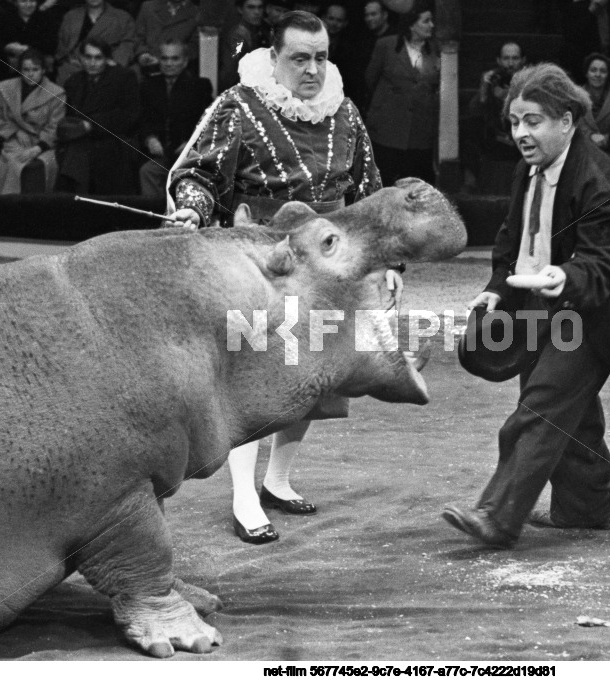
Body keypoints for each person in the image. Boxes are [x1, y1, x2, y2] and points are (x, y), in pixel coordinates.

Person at [166, 10, 396, 544]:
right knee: (256, 381)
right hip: (261, 261)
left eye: (321, 57)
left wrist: (385, 263)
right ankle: (244, 496)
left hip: (328, 264)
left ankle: (278, 480)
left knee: (314, 378)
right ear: (274, 58)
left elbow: (368, 194)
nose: (313, 69)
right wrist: (194, 210)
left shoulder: (346, 113)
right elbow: (198, 171)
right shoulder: (239, 106)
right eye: (300, 58)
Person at [441, 62, 610, 549]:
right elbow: (511, 241)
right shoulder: (531, 170)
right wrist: (498, 287)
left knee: (541, 406)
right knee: (572, 411)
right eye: (514, 121)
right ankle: (589, 508)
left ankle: (497, 516)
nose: (520, 133)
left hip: (592, 315)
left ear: (566, 121)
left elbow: (603, 265)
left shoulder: (602, 183)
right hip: (540, 310)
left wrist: (565, 275)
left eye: (532, 121)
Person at [364, 0, 440, 185]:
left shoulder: (435, 51)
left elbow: (436, 87)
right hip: (387, 130)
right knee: (384, 183)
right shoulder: (386, 45)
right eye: (426, 21)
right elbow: (369, 80)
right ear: (412, 25)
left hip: (419, 133)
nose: (432, 25)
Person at [56, 37, 141, 194]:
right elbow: (68, 116)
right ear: (80, 58)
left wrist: (92, 125)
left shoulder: (123, 77)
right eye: (88, 57)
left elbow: (130, 115)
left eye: (98, 58)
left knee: (91, 157)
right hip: (80, 139)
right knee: (71, 153)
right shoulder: (73, 82)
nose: (92, 63)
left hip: (114, 139)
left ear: (107, 59)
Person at [138, 40, 213, 197]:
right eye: (165, 59)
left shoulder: (199, 86)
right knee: (148, 171)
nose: (169, 63)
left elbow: (209, 123)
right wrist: (149, 138)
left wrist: (191, 143)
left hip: (189, 153)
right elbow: (143, 119)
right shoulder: (148, 85)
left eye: (175, 59)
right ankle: (155, 218)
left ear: (185, 61)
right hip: (161, 153)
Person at [0, 48, 67, 194]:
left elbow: (55, 126)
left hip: (43, 143)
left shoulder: (56, 93)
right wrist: (15, 131)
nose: (30, 74)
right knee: (11, 162)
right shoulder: (6, 88)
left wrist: (38, 148)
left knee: (41, 164)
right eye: (26, 69)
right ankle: (8, 204)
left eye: (35, 69)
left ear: (43, 70)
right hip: (14, 140)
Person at [461, 41, 525, 192]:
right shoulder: (493, 79)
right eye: (506, 58)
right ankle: (471, 182)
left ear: (522, 61)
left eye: (515, 58)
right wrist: (484, 89)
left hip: (521, 136)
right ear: (499, 60)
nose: (510, 63)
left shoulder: (530, 81)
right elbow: (475, 110)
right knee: (469, 127)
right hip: (495, 137)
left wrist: (509, 98)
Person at [55, 0, 137, 85]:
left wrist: (112, 63)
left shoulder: (123, 17)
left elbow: (128, 44)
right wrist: (70, 59)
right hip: (74, 68)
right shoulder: (71, 16)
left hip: (107, 69)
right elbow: (62, 47)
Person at [0, 0, 59, 81]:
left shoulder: (47, 18)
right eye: (23, 1)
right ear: (16, 2)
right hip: (10, 67)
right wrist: (7, 47)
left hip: (39, 65)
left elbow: (52, 44)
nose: (28, 5)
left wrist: (27, 48)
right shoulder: (4, 18)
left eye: (32, 1)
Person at [133, 0, 200, 77]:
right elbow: (137, 37)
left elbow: (195, 46)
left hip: (178, 68)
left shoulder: (196, 13)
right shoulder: (148, 7)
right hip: (146, 66)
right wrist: (143, 54)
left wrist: (167, 59)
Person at [219, 0, 271, 90]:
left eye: (260, 7)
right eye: (251, 7)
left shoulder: (263, 31)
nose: (257, 12)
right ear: (240, 9)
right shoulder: (238, 36)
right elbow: (230, 70)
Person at [578, 52, 610, 150]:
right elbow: (572, 126)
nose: (598, 74)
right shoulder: (575, 96)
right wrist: (590, 136)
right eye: (593, 70)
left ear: (608, 74)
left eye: (603, 71)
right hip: (582, 149)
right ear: (586, 73)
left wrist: (607, 138)